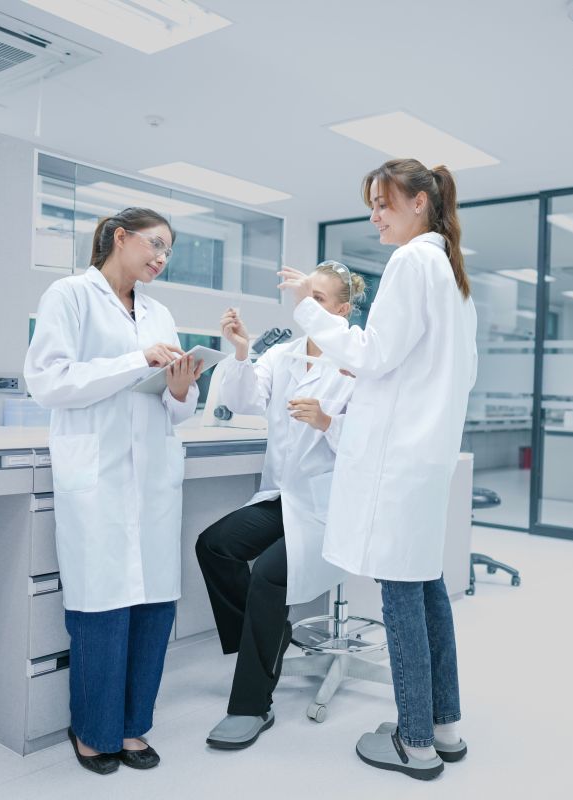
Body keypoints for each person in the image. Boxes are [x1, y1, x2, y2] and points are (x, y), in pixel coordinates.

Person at [278, 159, 478, 781]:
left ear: (419, 202)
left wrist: (309, 310)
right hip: (422, 455)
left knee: (400, 593)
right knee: (425, 588)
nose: (376, 217)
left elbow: (375, 354)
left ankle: (414, 745)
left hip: (399, 461)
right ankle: (442, 727)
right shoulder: (448, 270)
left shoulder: (413, 262)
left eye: (384, 203)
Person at [24, 207, 205, 775]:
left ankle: (131, 728)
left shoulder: (160, 311)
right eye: (155, 244)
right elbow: (48, 382)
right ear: (119, 238)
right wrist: (135, 360)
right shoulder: (70, 295)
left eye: (169, 251)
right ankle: (94, 731)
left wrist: (180, 389)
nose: (161, 257)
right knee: (101, 604)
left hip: (151, 474)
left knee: (152, 603)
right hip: (97, 473)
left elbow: (179, 409)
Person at [195, 262, 364, 749]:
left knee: (269, 577)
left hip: (329, 510)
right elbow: (245, 400)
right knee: (216, 546)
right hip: (283, 497)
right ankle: (267, 639)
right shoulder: (285, 355)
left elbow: (373, 442)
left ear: (340, 310)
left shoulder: (358, 362)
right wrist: (243, 353)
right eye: (303, 294)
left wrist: (328, 421)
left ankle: (252, 704)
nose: (304, 304)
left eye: (316, 296)